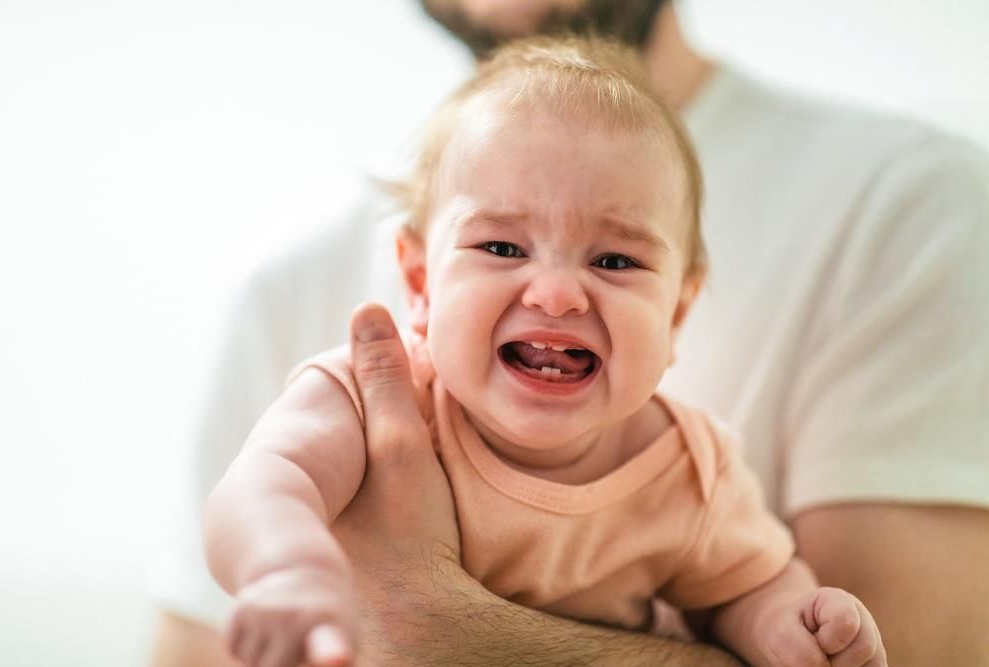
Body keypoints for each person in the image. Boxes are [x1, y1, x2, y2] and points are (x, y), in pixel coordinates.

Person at [149, 2, 989, 666]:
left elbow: (746, 585)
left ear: (678, 314)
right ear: (417, 283)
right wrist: (288, 563)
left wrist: (790, 626)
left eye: (616, 261)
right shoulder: (378, 399)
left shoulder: (688, 469)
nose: (554, 292)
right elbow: (264, 484)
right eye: (502, 247)